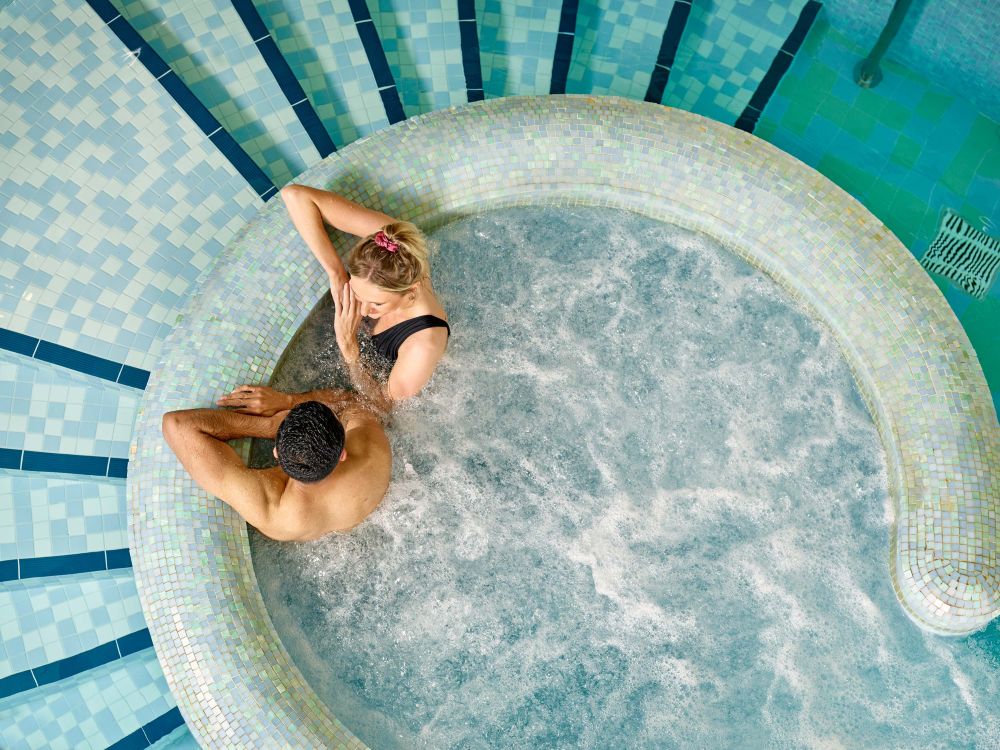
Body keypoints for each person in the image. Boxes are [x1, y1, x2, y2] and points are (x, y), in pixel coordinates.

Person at [281, 184, 450, 405]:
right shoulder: (395, 246)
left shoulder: (423, 345)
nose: (363, 309)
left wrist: (350, 350)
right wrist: (336, 273)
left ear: (411, 291)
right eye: (358, 294)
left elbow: (386, 407)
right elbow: (294, 195)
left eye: (377, 304)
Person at [162, 390, 390, 541]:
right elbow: (357, 402)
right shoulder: (372, 454)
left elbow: (176, 425)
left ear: (276, 453)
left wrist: (268, 426)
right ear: (342, 454)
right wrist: (289, 400)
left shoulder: (270, 509)